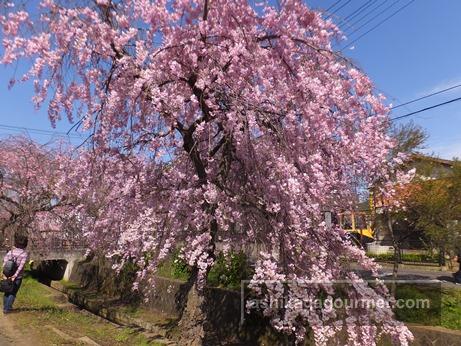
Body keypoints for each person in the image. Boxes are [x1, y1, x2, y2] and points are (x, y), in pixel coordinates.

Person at [2, 233, 28, 314]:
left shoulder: (11, 251)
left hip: (7, 275)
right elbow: (21, 267)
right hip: (17, 277)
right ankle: (7, 309)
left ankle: (5, 307)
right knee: (13, 292)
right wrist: (14, 276)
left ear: (16, 243)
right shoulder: (24, 254)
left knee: (7, 291)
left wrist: (4, 273)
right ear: (25, 244)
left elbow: (5, 262)